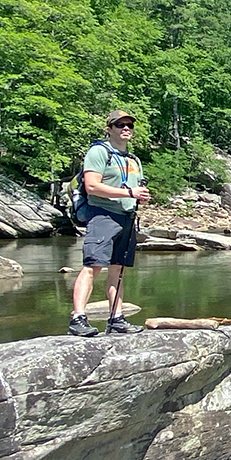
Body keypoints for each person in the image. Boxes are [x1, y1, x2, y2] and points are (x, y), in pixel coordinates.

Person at [69, 109, 149, 336]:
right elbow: (92, 186)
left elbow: (134, 188)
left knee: (118, 268)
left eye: (129, 125)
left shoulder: (133, 159)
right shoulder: (98, 152)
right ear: (109, 129)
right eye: (120, 125)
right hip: (103, 214)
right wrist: (129, 192)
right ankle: (78, 319)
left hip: (126, 218)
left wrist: (139, 195)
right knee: (93, 266)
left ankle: (116, 318)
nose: (126, 128)